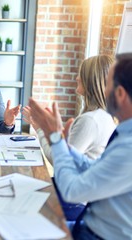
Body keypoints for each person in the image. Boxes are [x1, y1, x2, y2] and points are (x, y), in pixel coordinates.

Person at [28, 53, 132, 239]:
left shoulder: (127, 146)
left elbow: (72, 191)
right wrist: (64, 146)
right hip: (89, 223)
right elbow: (95, 167)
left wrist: (56, 140)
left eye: (107, 83)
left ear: (120, 93)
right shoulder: (124, 132)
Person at [23, 55, 116, 163]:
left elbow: (59, 160)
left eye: (81, 74)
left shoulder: (90, 121)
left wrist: (40, 128)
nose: (77, 78)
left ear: (91, 80)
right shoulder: (102, 116)